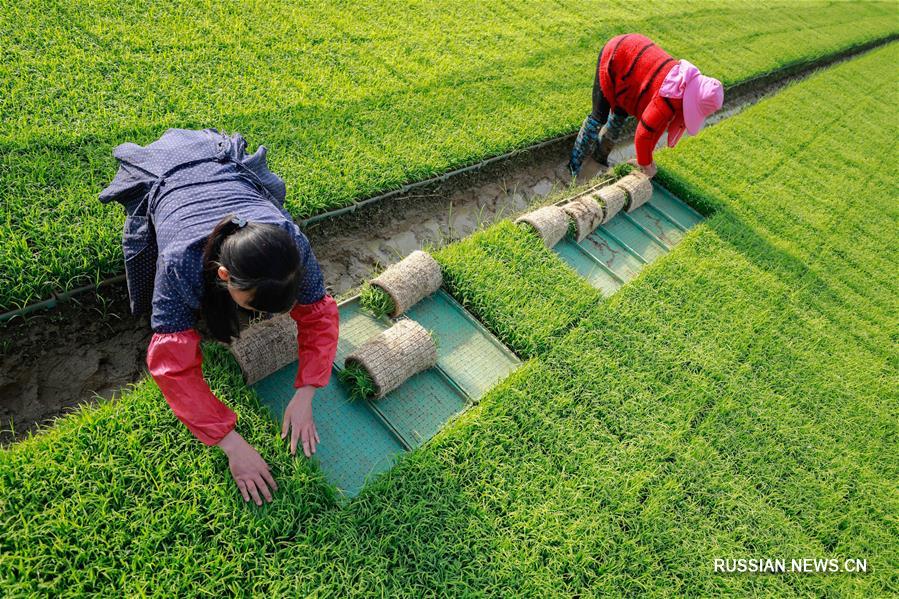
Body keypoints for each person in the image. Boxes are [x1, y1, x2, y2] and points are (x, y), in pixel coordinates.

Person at [99, 128, 339, 506]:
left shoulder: (290, 240)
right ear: (223, 275)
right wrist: (230, 444)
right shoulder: (181, 261)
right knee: (171, 310)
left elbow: (319, 315)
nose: (260, 317)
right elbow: (173, 368)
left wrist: (307, 390)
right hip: (168, 172)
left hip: (218, 163)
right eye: (254, 307)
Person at [568, 33, 724, 178]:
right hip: (617, 56)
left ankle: (599, 157)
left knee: (619, 117)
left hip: (631, 78)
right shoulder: (668, 97)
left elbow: (656, 128)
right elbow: (643, 134)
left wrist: (646, 159)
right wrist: (646, 165)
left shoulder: (681, 88)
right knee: (599, 117)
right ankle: (573, 167)